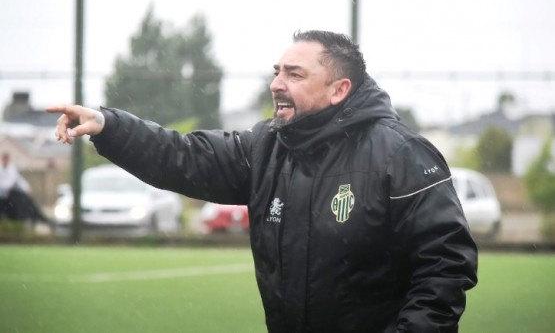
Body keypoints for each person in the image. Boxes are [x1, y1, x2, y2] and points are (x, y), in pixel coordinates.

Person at [47, 30, 478, 333]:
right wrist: (108, 125)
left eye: (294, 74)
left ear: (339, 89)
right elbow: (182, 156)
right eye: (277, 72)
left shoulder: (400, 153)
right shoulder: (265, 147)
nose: (276, 84)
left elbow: (446, 264)